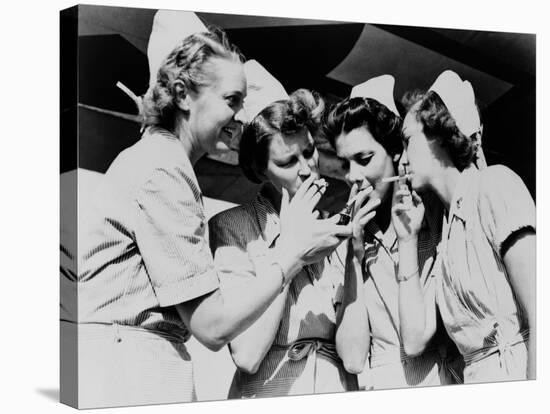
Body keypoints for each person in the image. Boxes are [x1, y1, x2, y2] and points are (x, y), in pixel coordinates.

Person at [73, 11, 349, 408]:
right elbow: (212, 326)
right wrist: (290, 253)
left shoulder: (156, 159)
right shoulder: (164, 169)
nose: (242, 116)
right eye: (232, 100)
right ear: (183, 94)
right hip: (130, 369)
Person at [209, 62, 362, 398]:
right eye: (287, 163)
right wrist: (291, 252)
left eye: (309, 152)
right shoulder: (233, 228)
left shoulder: (334, 228)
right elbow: (247, 355)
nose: (307, 169)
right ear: (259, 170)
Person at [396, 70, 536, 383]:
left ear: (438, 134)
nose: (401, 160)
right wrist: (407, 239)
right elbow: (414, 340)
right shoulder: (446, 229)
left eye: (407, 142)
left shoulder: (494, 185)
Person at [324, 75, 463, 390]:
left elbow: (420, 339)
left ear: (397, 152)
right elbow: (353, 359)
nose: (353, 177)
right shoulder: (344, 240)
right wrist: (352, 260)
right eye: (345, 165)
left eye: (364, 159)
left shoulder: (435, 219)